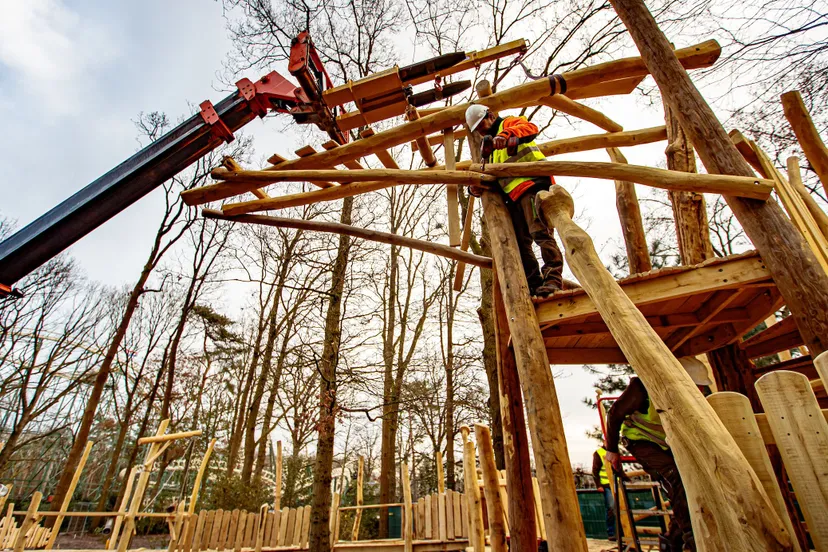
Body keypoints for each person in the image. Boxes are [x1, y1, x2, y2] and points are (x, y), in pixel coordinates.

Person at [604, 358, 713, 552]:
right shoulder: (642, 388)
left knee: (689, 487)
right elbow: (614, 414)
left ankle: (671, 542)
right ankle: (692, 542)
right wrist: (611, 449)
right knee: (676, 478)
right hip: (641, 440)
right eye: (696, 386)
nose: (699, 392)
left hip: (666, 444)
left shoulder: (688, 397)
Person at [465, 104, 564, 296]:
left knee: (541, 234)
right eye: (476, 129)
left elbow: (530, 129)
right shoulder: (491, 151)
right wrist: (474, 188)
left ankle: (553, 279)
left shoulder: (509, 123)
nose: (481, 130)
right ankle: (534, 285)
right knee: (520, 244)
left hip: (533, 186)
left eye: (481, 124)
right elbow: (491, 178)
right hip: (514, 197)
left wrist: (507, 136)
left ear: (491, 116)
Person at [592, 445, 617, 542]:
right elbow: (595, 470)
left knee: (621, 509)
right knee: (611, 508)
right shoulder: (599, 453)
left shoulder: (615, 450)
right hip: (606, 485)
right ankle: (611, 533)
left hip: (617, 484)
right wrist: (599, 485)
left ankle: (621, 532)